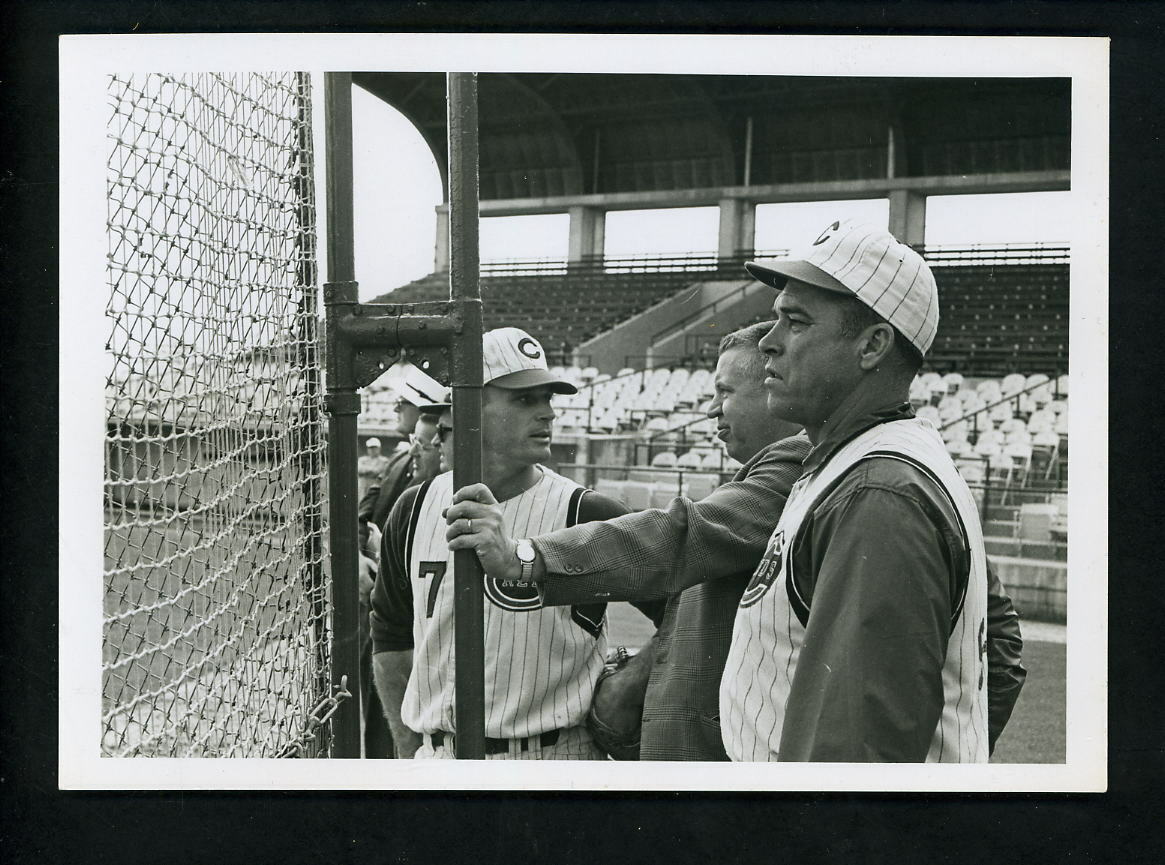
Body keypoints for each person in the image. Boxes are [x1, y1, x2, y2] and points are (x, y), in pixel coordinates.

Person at [449, 220, 1022, 763]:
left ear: (872, 347)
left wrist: (528, 558)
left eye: (795, 322)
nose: (769, 343)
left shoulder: (877, 490)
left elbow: (850, 759)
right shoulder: (846, 468)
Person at [369, 327, 657, 759]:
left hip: (551, 759)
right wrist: (409, 747)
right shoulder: (414, 507)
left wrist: (626, 689)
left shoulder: (585, 511)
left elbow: (688, 605)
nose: (547, 414)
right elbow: (390, 632)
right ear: (469, 406)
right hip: (436, 762)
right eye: (525, 399)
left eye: (548, 399)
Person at [356, 438, 390, 502]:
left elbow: (379, 471)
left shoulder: (384, 460)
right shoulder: (362, 459)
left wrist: (367, 471)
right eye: (370, 448)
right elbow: (359, 469)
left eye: (374, 448)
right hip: (363, 488)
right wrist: (372, 470)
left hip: (375, 488)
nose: (372, 450)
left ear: (379, 448)